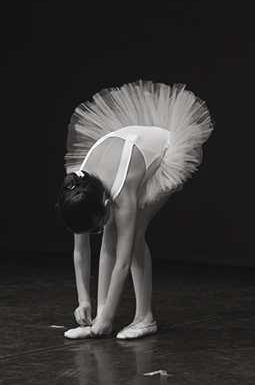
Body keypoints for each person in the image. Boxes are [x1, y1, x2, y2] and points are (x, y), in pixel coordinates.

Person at [57, 81, 213, 340]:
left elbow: (123, 261)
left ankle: (145, 318)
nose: (93, 231)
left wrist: (107, 320)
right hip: (123, 149)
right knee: (110, 232)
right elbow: (80, 250)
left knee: (134, 233)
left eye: (95, 225)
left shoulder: (124, 190)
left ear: (106, 204)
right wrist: (83, 300)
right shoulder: (78, 189)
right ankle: (99, 316)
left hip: (163, 149)